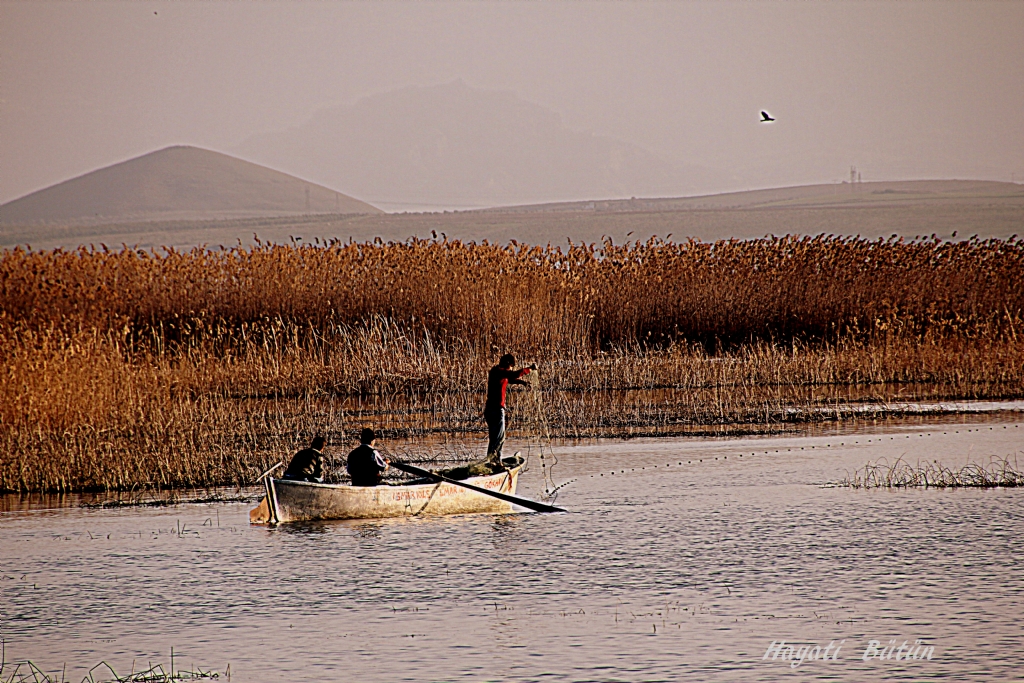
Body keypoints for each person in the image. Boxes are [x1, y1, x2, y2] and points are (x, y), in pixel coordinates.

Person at [485, 353, 536, 465]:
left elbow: (509, 378)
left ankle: (491, 461)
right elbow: (514, 375)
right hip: (496, 410)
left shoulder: (496, 371)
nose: (511, 369)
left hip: (490, 410)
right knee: (499, 438)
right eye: (511, 366)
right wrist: (530, 369)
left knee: (494, 438)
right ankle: (496, 462)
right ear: (508, 364)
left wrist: (522, 382)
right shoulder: (500, 371)